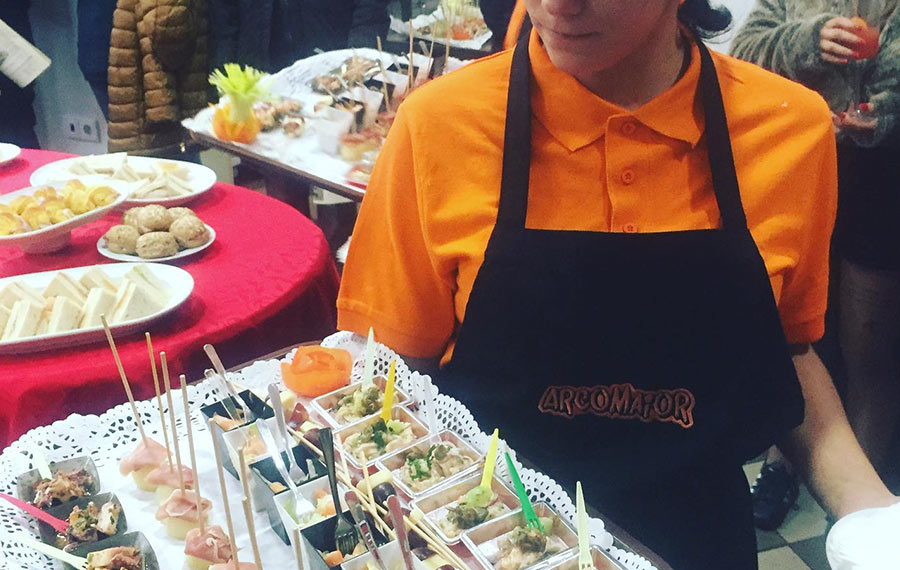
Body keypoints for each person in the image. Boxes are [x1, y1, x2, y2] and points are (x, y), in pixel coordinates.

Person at [336, 1, 898, 568]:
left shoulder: (789, 129)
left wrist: (875, 517)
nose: (556, 4)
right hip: (480, 537)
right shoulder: (440, 125)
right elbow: (387, 383)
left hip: (697, 542)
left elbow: (788, 352)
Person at [731, 0, 900, 521]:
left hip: (880, 181)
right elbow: (742, 55)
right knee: (797, 337)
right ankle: (780, 467)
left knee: (869, 347)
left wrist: (883, 113)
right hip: (796, 170)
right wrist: (809, 40)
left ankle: (856, 514)